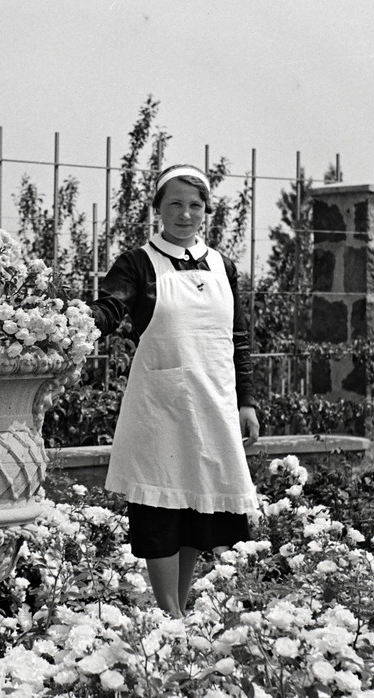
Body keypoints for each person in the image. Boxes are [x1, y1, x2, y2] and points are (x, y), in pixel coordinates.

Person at [90, 164, 259, 616]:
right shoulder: (138, 263)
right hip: (161, 405)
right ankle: (170, 613)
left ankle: (177, 608)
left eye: (195, 205)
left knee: (197, 512)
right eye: (175, 205)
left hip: (213, 402)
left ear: (206, 211)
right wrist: (73, 326)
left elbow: (238, 337)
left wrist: (246, 401)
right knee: (161, 509)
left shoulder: (223, 265)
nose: (185, 214)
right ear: (158, 210)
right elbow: (111, 306)